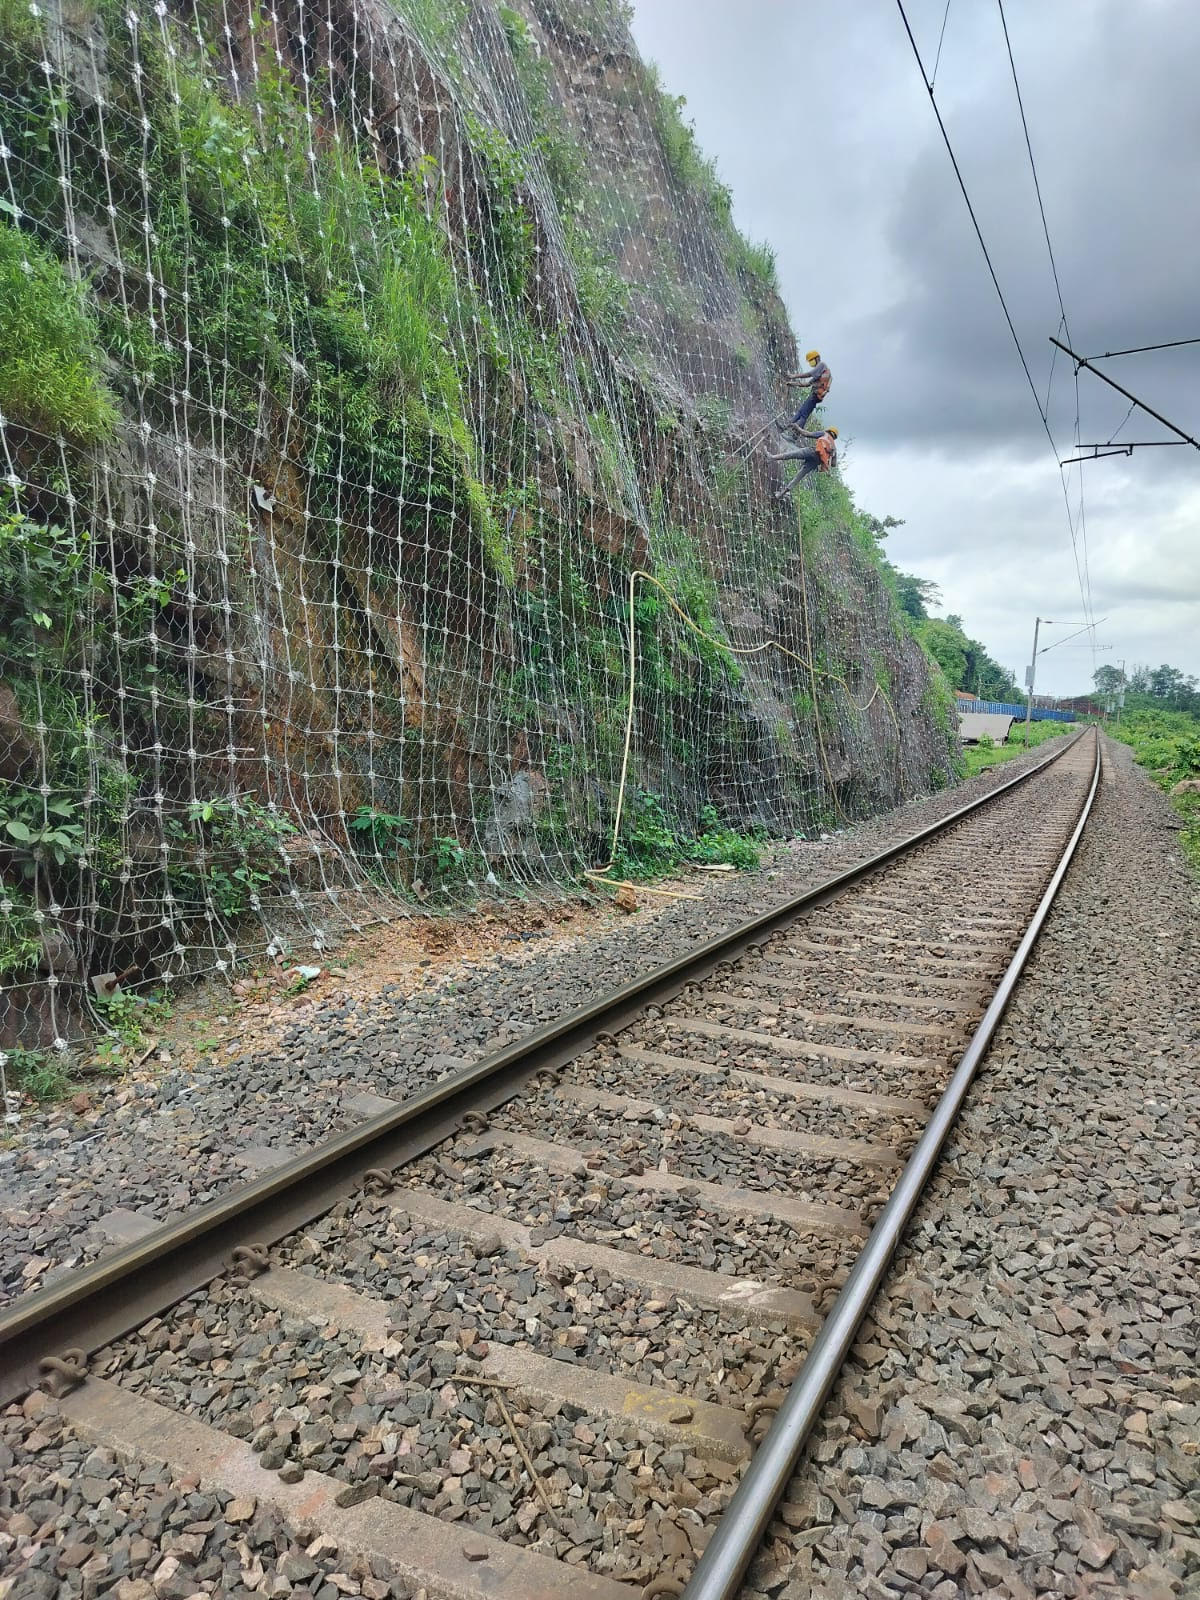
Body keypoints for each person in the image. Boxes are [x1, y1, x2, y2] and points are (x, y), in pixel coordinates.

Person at [766, 425, 838, 496]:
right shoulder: (834, 448)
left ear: (829, 431)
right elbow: (833, 464)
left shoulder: (824, 434)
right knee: (799, 476)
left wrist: (797, 427)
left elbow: (806, 434)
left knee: (791, 455)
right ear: (834, 437)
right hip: (817, 462)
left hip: (812, 452)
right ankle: (781, 493)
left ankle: (771, 457)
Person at [780, 350, 832, 432]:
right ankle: (784, 427)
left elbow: (809, 374)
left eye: (811, 360)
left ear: (817, 358)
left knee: (803, 415)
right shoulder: (819, 374)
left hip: (815, 395)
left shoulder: (821, 365)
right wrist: (793, 384)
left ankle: (793, 435)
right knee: (801, 412)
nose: (810, 363)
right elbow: (807, 384)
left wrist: (793, 376)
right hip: (816, 396)